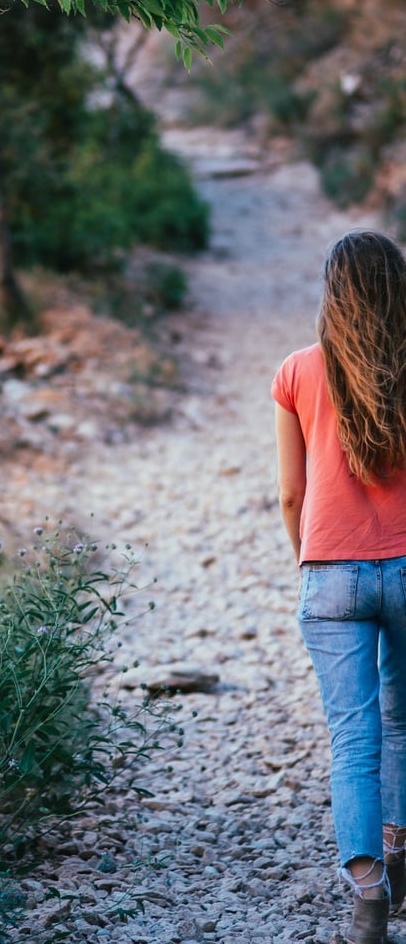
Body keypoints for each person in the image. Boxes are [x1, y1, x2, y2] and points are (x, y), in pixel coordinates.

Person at [272, 229, 406, 944]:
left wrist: (312, 562)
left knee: (353, 738)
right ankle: (400, 845)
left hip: (331, 573)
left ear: (334, 291)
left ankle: (369, 900)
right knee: (404, 722)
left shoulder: (297, 371)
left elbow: (291, 496)